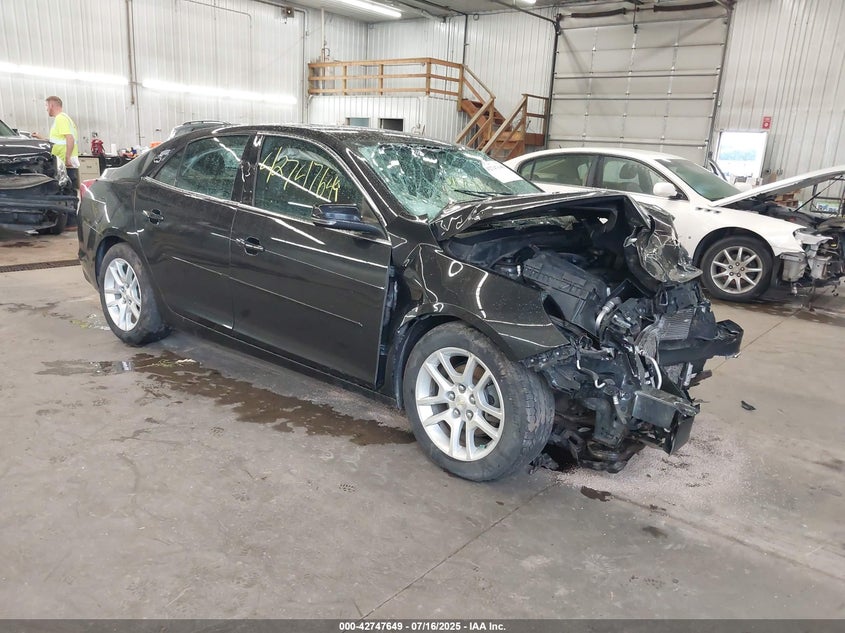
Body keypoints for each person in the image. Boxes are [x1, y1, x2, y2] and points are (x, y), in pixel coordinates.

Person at [32, 96, 80, 190]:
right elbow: (55, 142)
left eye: (46, 106)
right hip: (63, 162)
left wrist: (67, 158)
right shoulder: (63, 118)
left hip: (64, 163)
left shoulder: (60, 119)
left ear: (51, 105)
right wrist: (39, 137)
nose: (46, 109)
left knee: (66, 189)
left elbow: (70, 138)